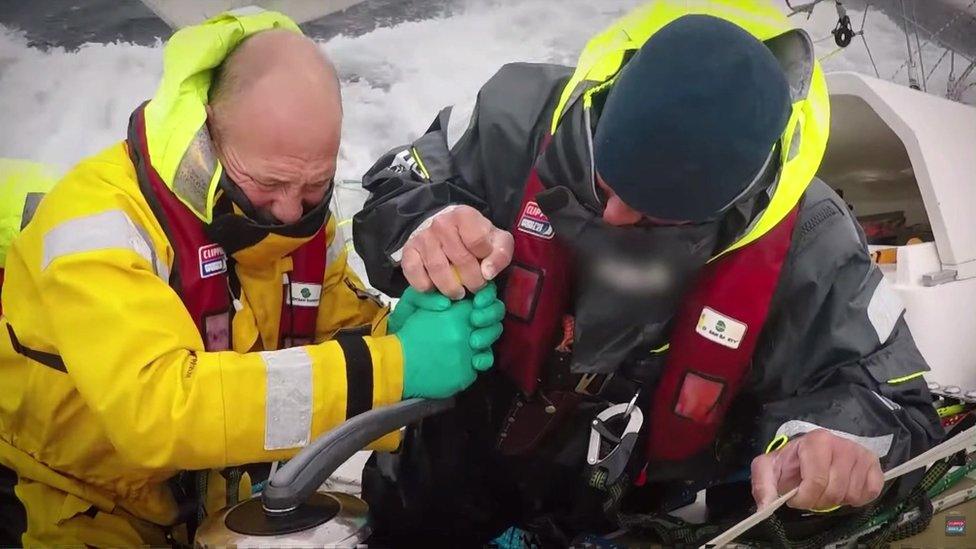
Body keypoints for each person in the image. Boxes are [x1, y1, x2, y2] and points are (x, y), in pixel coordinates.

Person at [353, 1, 944, 544]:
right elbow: (397, 183)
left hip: (639, 504)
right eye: (604, 185)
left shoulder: (815, 245)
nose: (613, 217)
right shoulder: (515, 113)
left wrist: (831, 444)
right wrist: (425, 226)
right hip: (458, 451)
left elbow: (895, 402)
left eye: (652, 216)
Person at [0, 9, 503, 546]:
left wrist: (405, 328)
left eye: (316, 185)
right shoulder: (96, 222)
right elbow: (158, 411)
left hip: (213, 498)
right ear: (207, 137)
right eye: (269, 183)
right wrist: (394, 366)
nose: (291, 212)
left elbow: (334, 332)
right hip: (69, 498)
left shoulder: (298, 220)